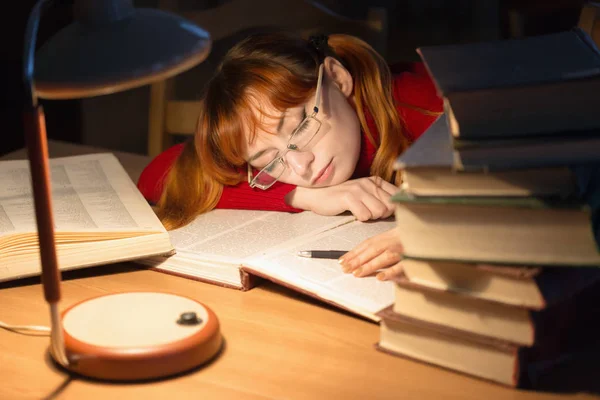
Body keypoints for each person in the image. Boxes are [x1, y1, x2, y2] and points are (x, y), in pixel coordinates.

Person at [137, 31, 442, 280]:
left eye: (301, 127)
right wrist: (299, 196)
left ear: (337, 79)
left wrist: (439, 234)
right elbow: (157, 174)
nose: (300, 165)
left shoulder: (429, 107)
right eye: (269, 159)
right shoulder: (296, 171)